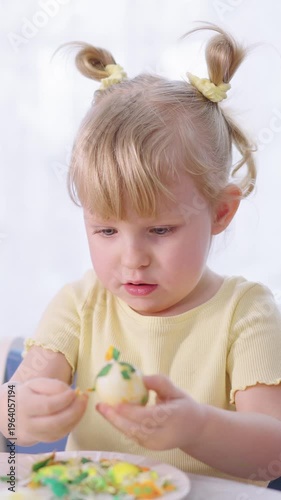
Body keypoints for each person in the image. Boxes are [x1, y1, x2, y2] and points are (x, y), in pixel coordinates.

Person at [1, 24, 281, 486]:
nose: (132, 258)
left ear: (221, 211)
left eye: (159, 229)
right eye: (106, 229)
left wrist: (197, 427)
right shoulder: (80, 304)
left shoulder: (245, 314)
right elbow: (13, 400)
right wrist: (18, 414)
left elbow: (273, 451)